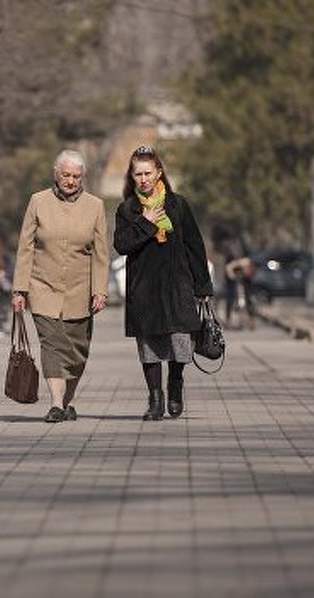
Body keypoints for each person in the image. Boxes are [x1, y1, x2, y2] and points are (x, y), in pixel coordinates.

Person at [113, 146, 213, 421]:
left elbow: (195, 246)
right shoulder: (127, 209)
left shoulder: (178, 205)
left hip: (177, 285)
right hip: (144, 288)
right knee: (150, 346)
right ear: (132, 177)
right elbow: (121, 245)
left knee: (180, 343)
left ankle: (176, 386)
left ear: (159, 173)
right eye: (138, 174)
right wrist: (145, 223)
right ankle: (155, 399)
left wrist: (202, 286)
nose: (144, 179)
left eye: (148, 173)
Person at [11, 149, 109, 423]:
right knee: (52, 343)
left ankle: (66, 402)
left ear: (82, 177)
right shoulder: (38, 201)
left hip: (81, 289)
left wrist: (100, 290)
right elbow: (25, 248)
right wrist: (20, 289)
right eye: (65, 175)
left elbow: (101, 254)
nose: (70, 181)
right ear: (56, 174)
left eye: (76, 176)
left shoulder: (95, 206)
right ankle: (55, 403)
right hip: (43, 287)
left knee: (77, 351)